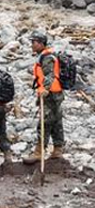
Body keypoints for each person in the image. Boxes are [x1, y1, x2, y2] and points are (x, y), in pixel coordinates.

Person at [27, 32, 65, 162]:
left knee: (45, 121)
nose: (32, 45)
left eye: (34, 42)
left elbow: (49, 75)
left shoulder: (47, 57)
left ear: (41, 43)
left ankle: (39, 152)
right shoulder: (49, 55)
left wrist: (45, 89)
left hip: (50, 94)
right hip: (57, 93)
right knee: (56, 121)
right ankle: (58, 149)